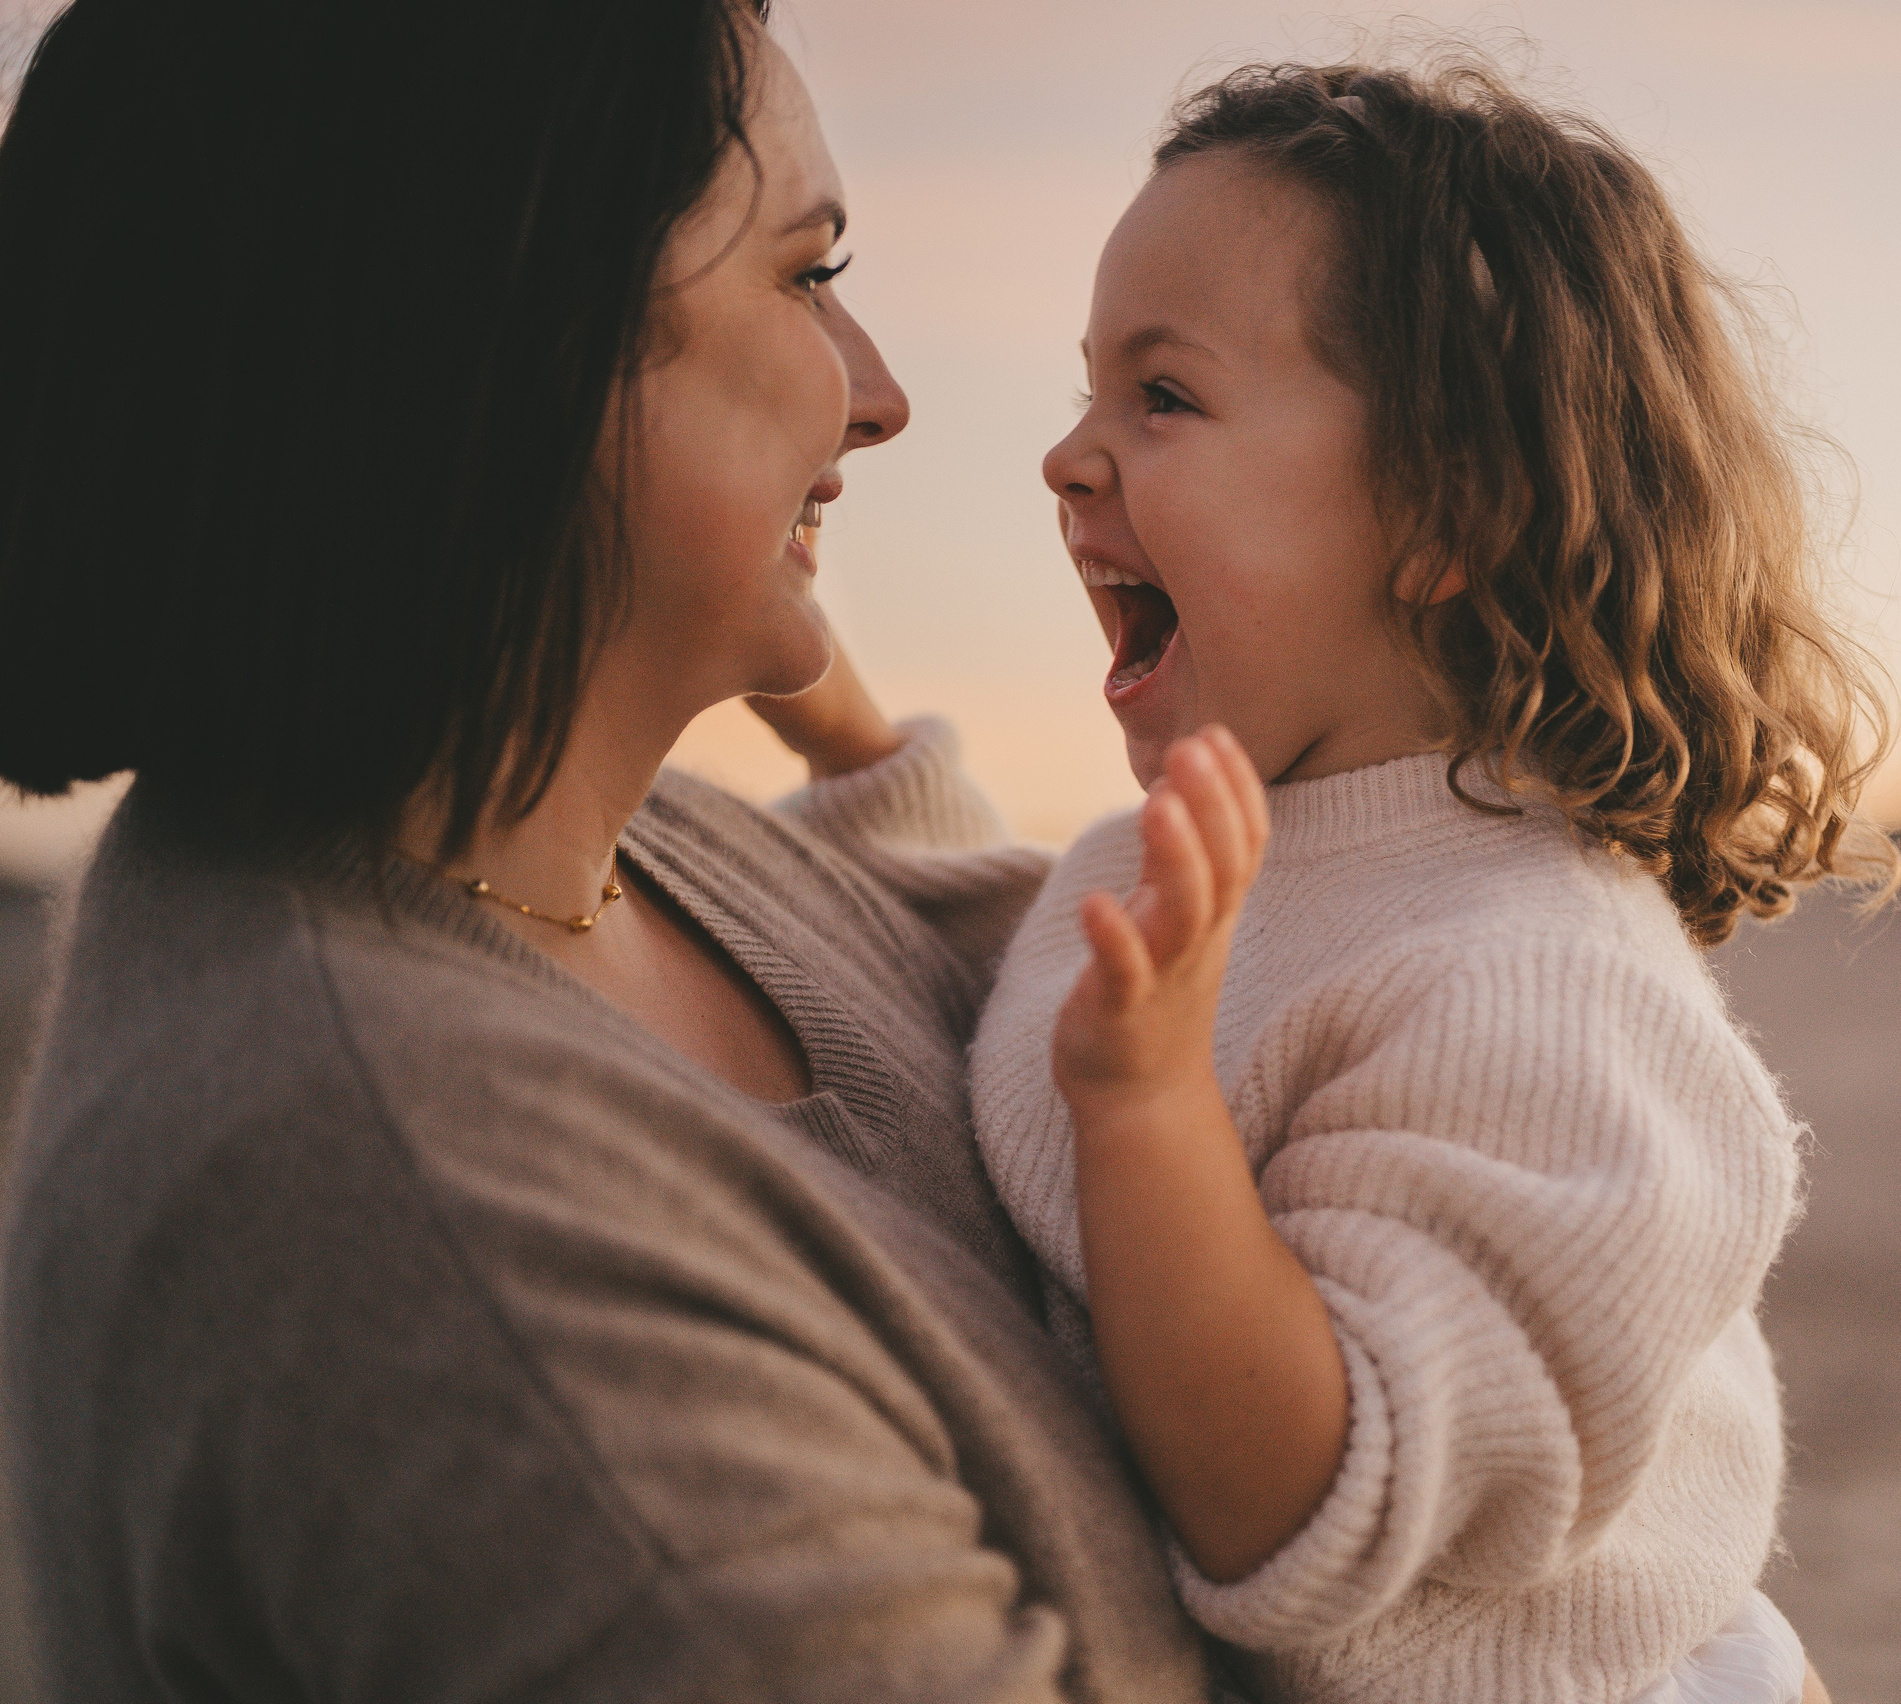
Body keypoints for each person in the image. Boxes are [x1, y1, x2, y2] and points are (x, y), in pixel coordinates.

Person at [0, 3, 1214, 1699]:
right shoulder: (420, 1230)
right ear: (507, 345)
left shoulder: (650, 851)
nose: (882, 397)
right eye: (807, 276)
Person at [931, 57, 1895, 1704]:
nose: (1066, 459)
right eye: (1088, 391)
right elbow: (1001, 945)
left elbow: (1302, 1504)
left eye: (1161, 397)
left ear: (1447, 509)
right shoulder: (1252, 839)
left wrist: (1149, 1111)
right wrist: (859, 768)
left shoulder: (1536, 982)